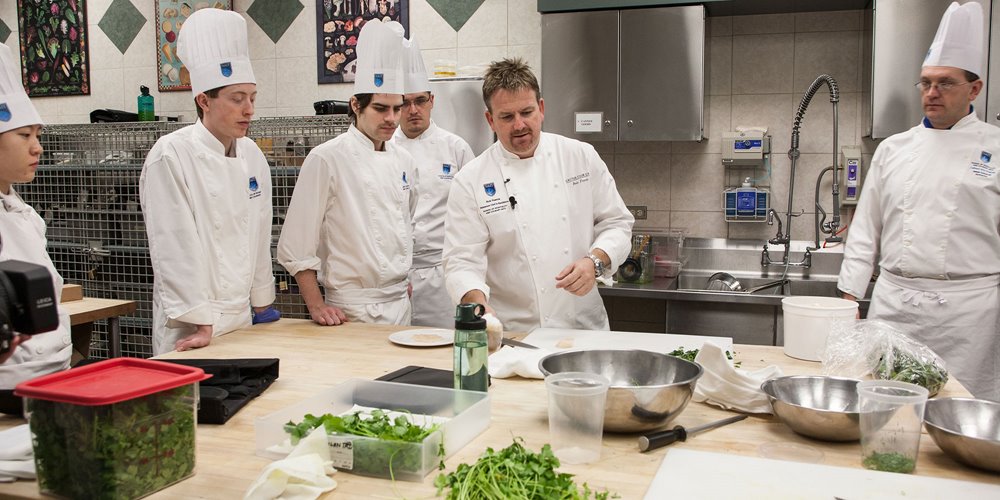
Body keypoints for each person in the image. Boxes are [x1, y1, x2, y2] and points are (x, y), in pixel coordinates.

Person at [838, 2, 999, 401]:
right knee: (886, 407)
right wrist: (849, 297)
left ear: (974, 89)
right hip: (895, 308)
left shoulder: (996, 149)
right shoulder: (894, 149)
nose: (931, 93)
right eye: (926, 83)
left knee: (961, 410)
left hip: (969, 316)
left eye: (945, 83)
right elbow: (866, 229)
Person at [443, 58, 634, 334]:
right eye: (507, 117)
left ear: (541, 109)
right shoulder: (470, 180)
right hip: (513, 332)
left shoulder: (579, 156)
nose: (519, 125)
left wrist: (595, 261)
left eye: (527, 112)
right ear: (490, 120)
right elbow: (461, 260)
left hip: (582, 327)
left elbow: (617, 224)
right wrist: (477, 303)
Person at [140, 9, 277, 355]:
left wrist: (262, 302)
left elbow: (260, 233)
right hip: (191, 326)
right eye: (236, 99)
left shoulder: (253, 156)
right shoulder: (171, 155)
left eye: (252, 97)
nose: (249, 110)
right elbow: (173, 245)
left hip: (242, 318)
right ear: (204, 100)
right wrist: (200, 320)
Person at [278, 20, 417, 326]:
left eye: (397, 108)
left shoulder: (405, 160)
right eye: (381, 108)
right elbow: (296, 245)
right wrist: (316, 305)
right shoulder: (327, 158)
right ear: (356, 105)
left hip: (400, 305)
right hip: (351, 310)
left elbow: (406, 223)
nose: (392, 119)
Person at [0, 42, 71, 412]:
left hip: (50, 376)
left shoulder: (27, 216)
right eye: (24, 136)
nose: (38, 148)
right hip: (11, 390)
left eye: (38, 135)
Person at [391, 37, 474, 328]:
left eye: (420, 101)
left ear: (432, 100)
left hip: (444, 276)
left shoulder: (457, 148)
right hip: (397, 278)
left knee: (443, 353)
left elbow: (475, 214)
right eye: (405, 103)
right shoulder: (384, 149)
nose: (413, 110)